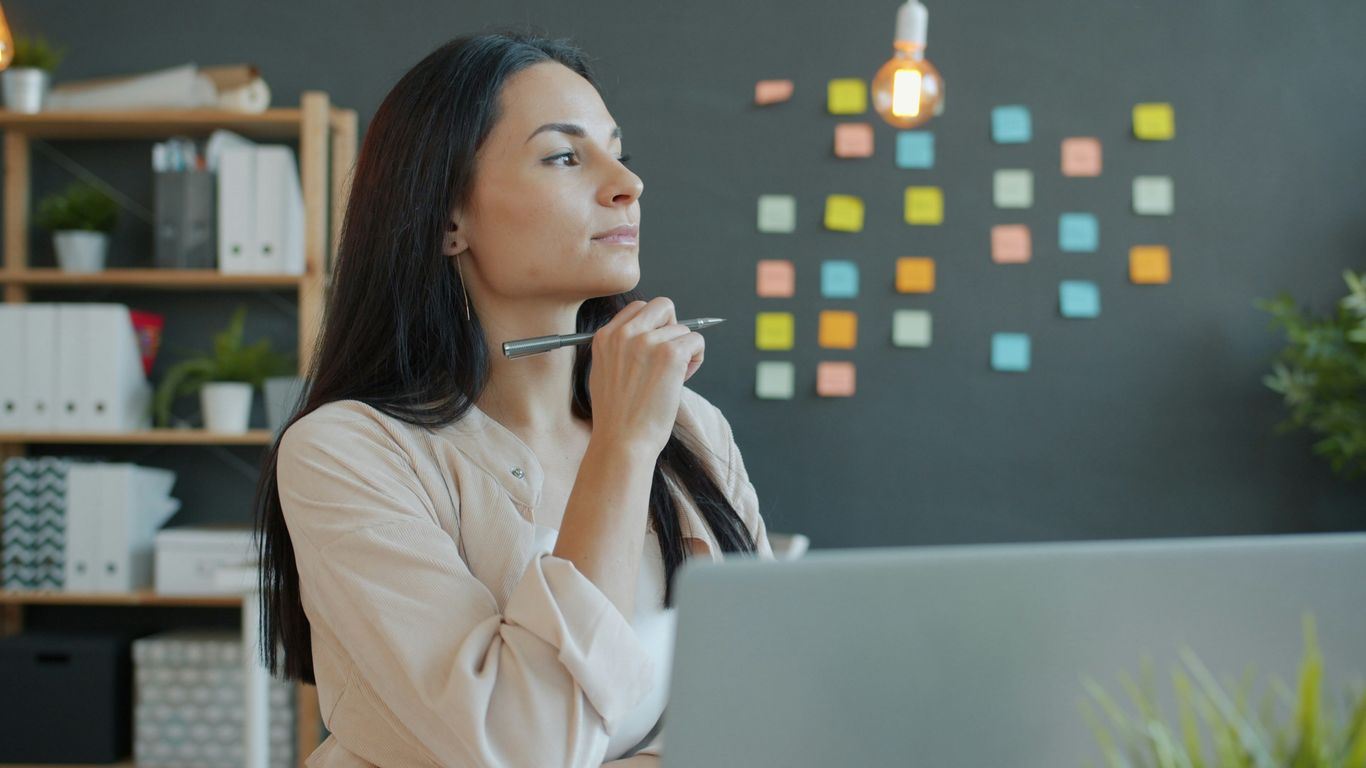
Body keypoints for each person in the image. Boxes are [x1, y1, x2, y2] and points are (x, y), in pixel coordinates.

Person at [252, 29, 775, 768]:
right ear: (446, 221)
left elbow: (766, 694)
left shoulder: (692, 428)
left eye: (617, 150)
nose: (628, 182)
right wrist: (623, 448)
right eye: (565, 156)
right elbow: (523, 746)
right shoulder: (346, 452)